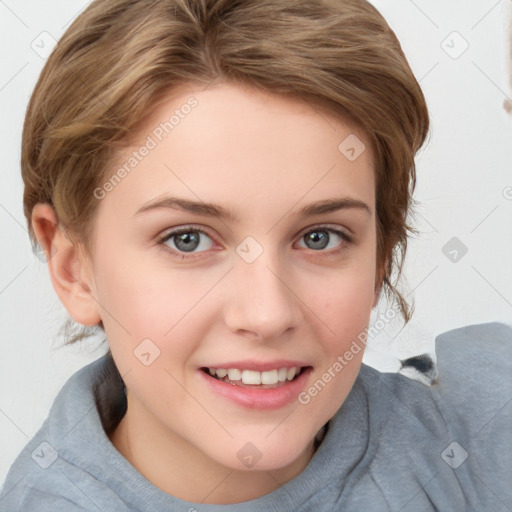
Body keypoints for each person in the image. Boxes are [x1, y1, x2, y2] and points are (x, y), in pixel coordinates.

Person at [1, 0, 511, 510]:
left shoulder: (480, 435)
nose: (267, 314)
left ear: (380, 258)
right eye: (188, 239)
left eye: (320, 237)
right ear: (74, 268)